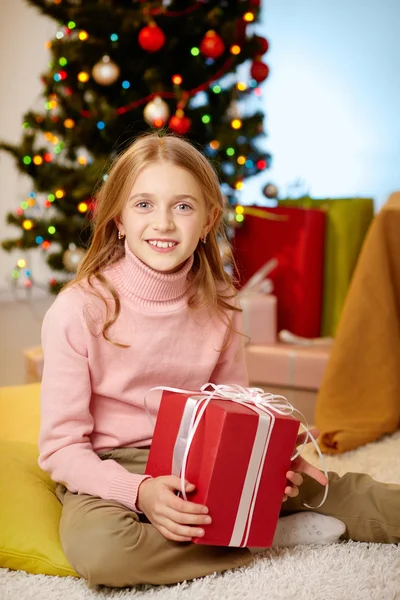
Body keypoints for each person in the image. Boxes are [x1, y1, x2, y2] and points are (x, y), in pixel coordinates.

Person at [39, 133, 399, 590]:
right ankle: (264, 538)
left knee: (329, 490)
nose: (164, 223)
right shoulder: (78, 310)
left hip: (200, 455)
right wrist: (138, 492)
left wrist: (272, 458)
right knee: (104, 553)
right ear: (118, 220)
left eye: (183, 207)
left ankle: (256, 519)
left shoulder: (220, 300)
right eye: (144, 205)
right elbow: (60, 449)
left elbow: (239, 404)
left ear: (209, 220)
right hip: (110, 467)